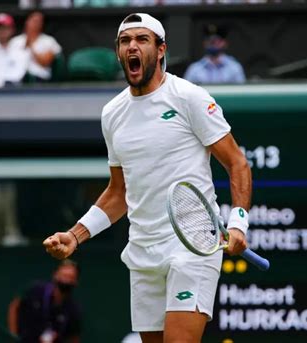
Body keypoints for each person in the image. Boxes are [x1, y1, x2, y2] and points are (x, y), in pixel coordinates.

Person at [43, 13, 251, 343]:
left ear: (161, 49)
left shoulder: (189, 97)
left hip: (192, 246)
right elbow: (118, 192)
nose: (132, 46)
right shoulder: (112, 114)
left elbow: (237, 163)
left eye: (142, 39)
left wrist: (239, 221)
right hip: (142, 251)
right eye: (125, 41)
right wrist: (75, 235)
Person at [8, 259, 82, 343]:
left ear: (75, 281)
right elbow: (14, 306)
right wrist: (12, 336)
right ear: (55, 275)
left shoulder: (73, 309)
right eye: (64, 275)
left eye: (70, 277)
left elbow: (74, 337)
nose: (66, 280)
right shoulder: (36, 290)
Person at [10, 11, 62, 81]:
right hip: (16, 78)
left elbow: (45, 62)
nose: (36, 24)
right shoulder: (15, 41)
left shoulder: (49, 41)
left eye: (39, 21)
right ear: (27, 22)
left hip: (40, 79)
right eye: (33, 21)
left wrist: (31, 46)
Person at [0, 13, 29, 85]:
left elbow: (18, 74)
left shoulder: (20, 49)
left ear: (12, 29)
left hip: (13, 90)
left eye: (6, 27)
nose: (2, 30)